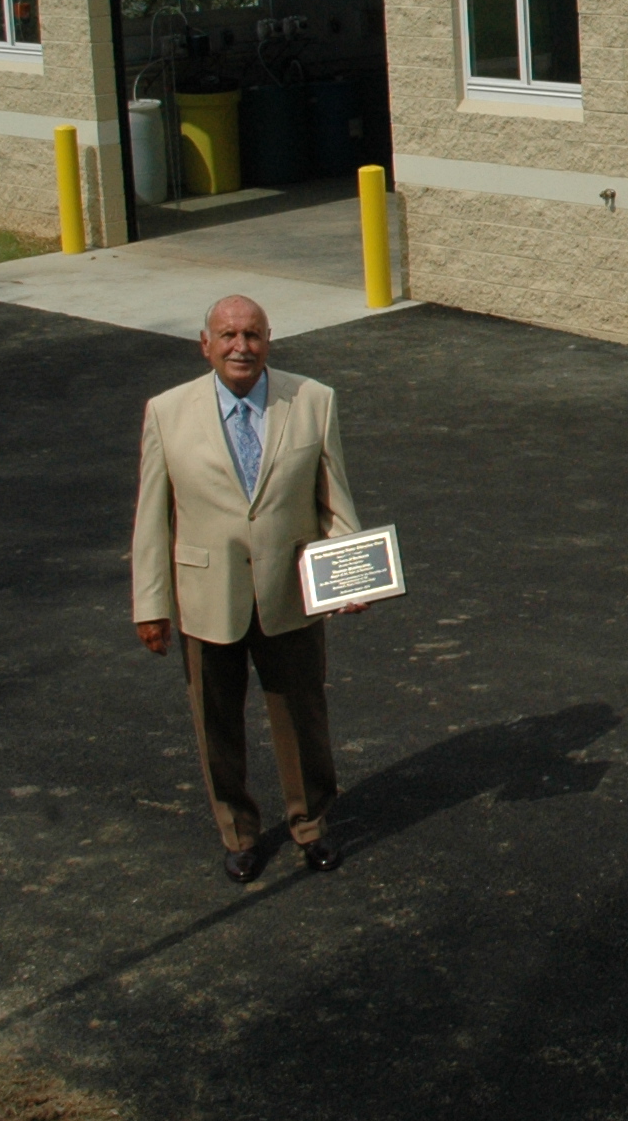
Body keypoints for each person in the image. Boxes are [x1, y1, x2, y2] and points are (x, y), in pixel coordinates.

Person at [131, 294, 365, 882]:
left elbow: (334, 499)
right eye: (229, 335)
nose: (242, 347)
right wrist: (151, 605)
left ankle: (310, 825)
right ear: (205, 344)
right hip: (206, 598)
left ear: (269, 340)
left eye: (254, 335)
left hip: (290, 591)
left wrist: (353, 571)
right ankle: (237, 832)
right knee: (216, 724)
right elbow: (152, 518)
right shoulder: (166, 411)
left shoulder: (312, 401)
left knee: (303, 718)